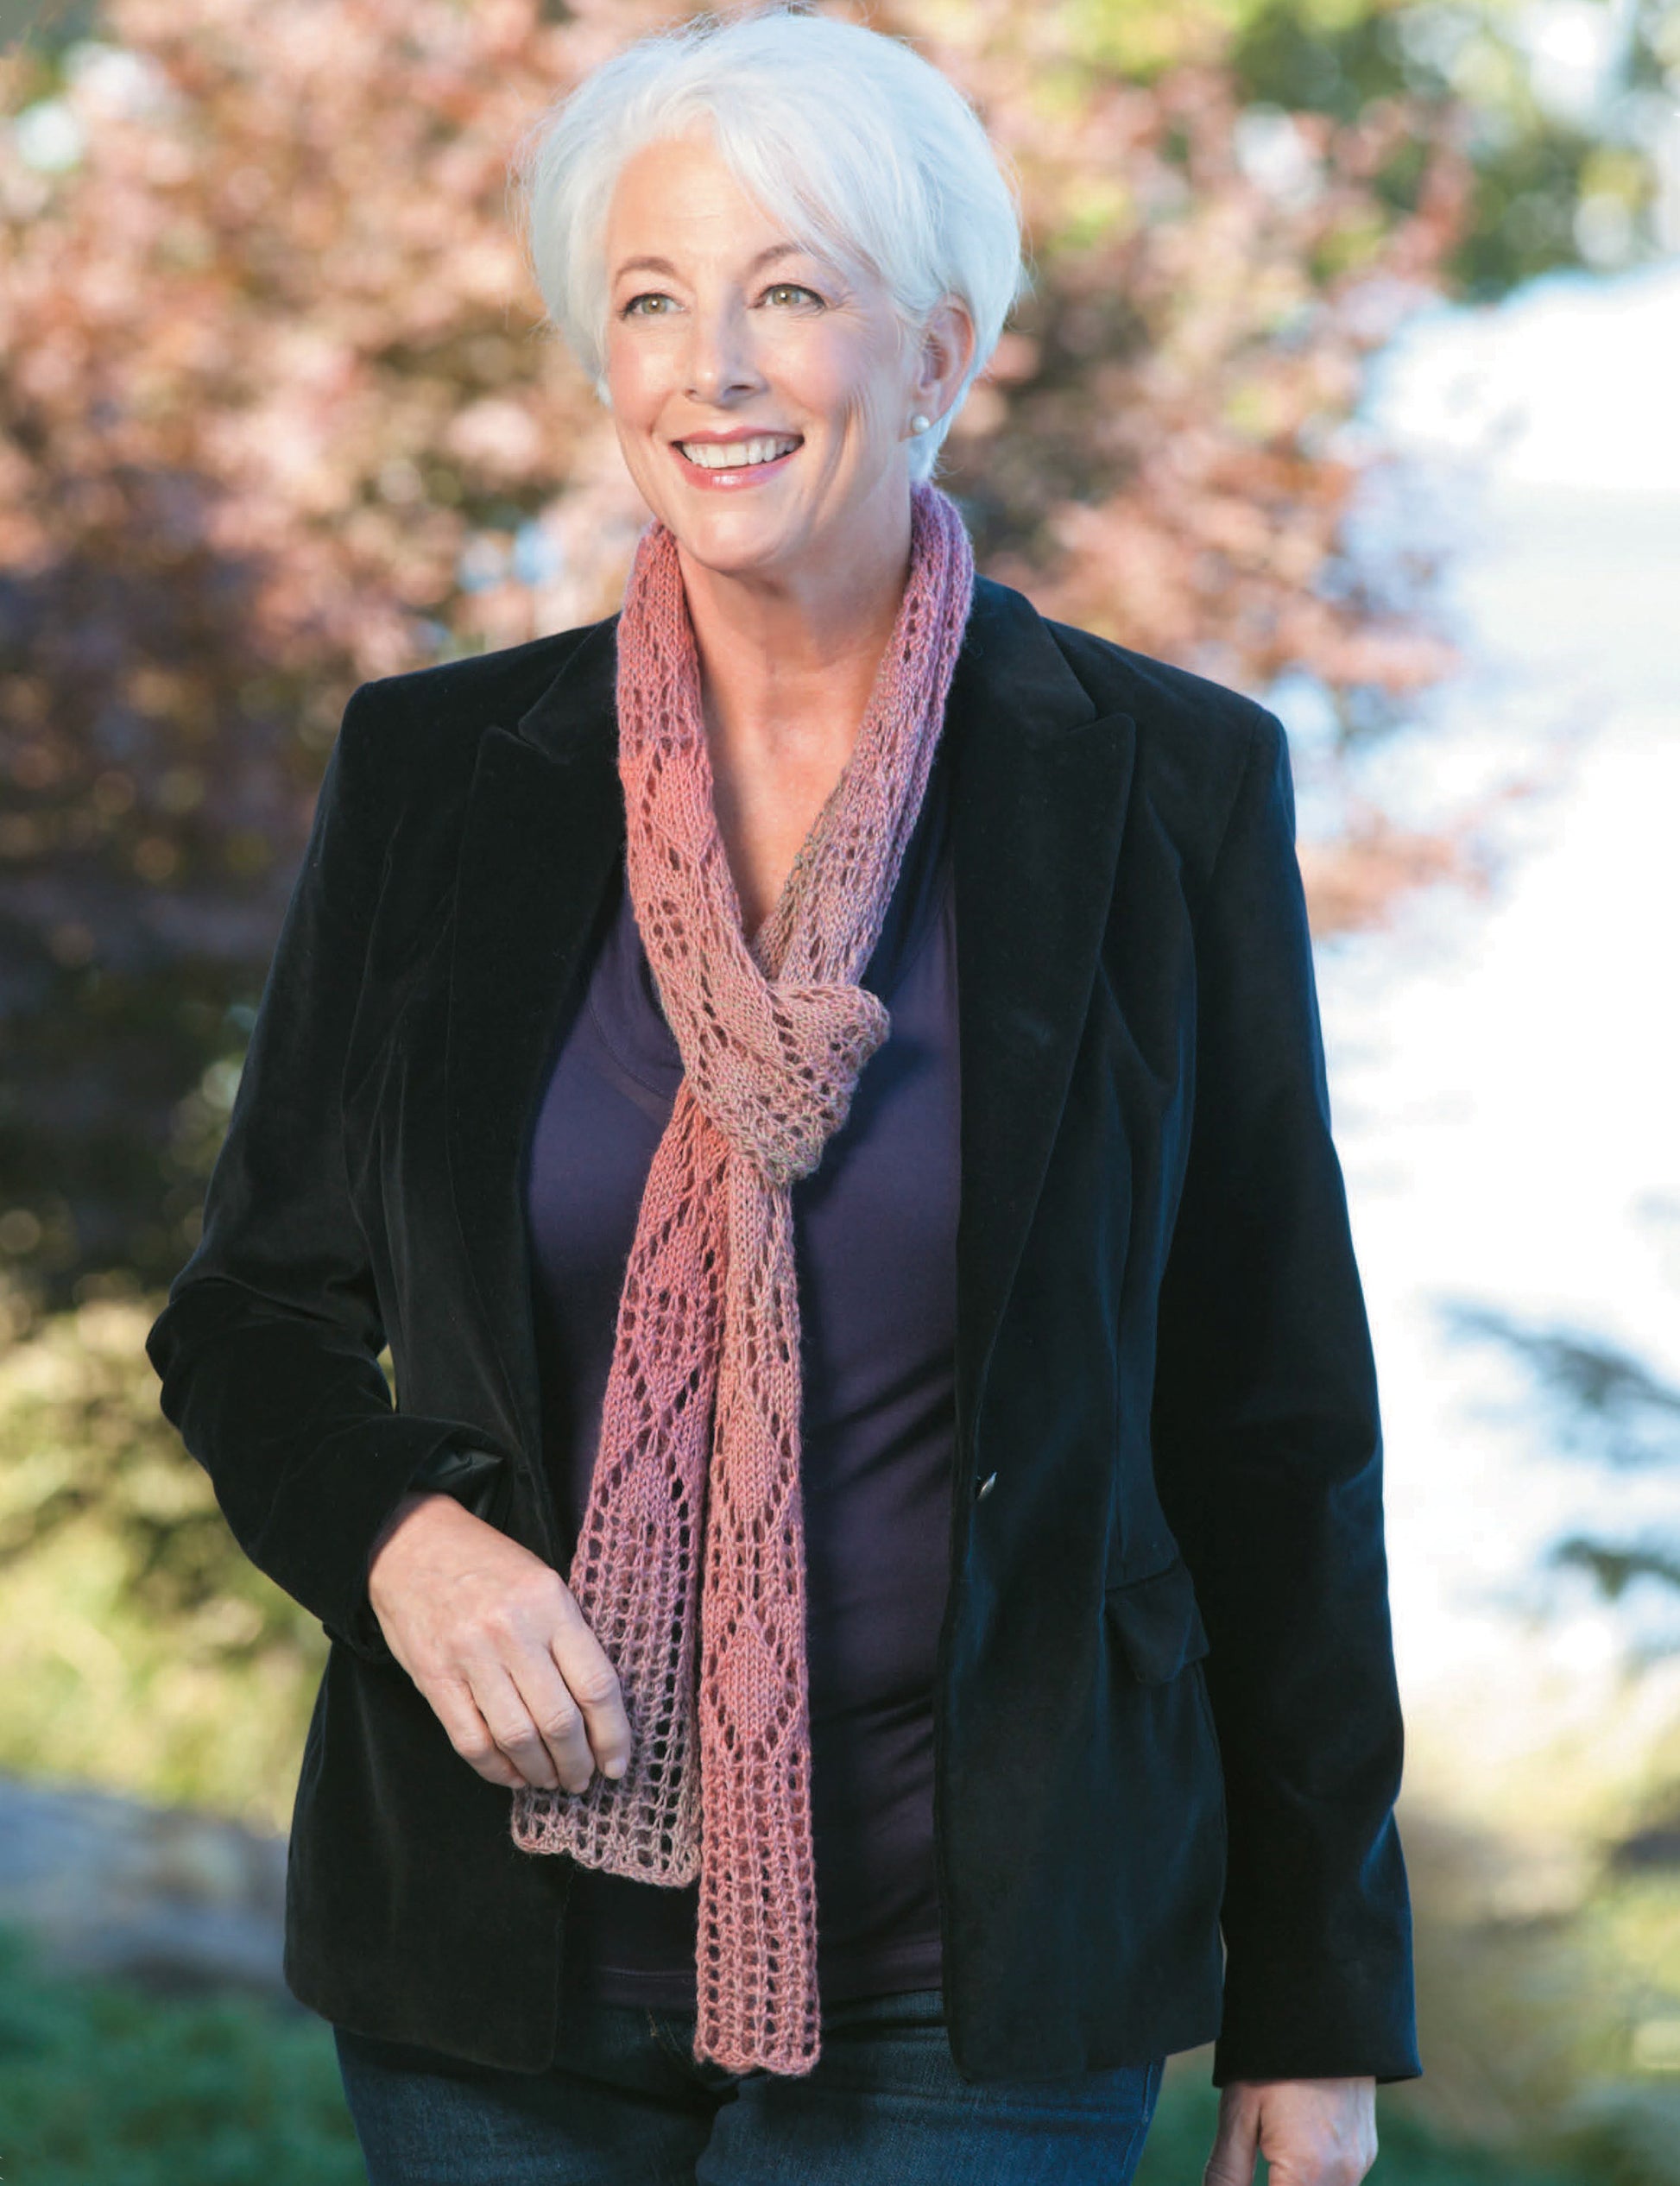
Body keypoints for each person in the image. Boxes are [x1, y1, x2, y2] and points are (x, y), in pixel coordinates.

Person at [144, 8, 1420, 2182]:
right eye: (650, 302)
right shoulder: (441, 775)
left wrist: (1313, 2008)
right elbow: (250, 1316)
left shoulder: (1159, 786)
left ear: (936, 353)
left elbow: (1272, 1415)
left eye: (790, 294)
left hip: (973, 1974)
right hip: (492, 1979)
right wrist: (401, 1540)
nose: (710, 369)